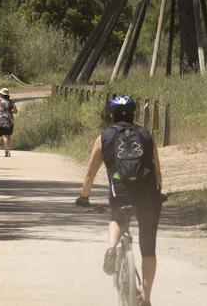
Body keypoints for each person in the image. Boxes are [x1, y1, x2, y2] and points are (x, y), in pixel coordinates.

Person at [76, 95, 164, 306]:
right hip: (147, 194)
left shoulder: (103, 138)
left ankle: (113, 247)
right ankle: (146, 297)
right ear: (134, 114)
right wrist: (158, 193)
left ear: (111, 115)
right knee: (148, 247)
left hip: (120, 191)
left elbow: (90, 173)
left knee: (117, 216)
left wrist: (84, 196)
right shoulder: (146, 135)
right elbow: (158, 170)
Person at [0, 87, 18, 157]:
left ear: (2, 94)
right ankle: (8, 150)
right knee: (9, 136)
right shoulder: (11, 102)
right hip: (10, 120)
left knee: (4, 136)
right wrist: (9, 112)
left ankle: (7, 151)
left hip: (1, 120)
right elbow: (16, 111)